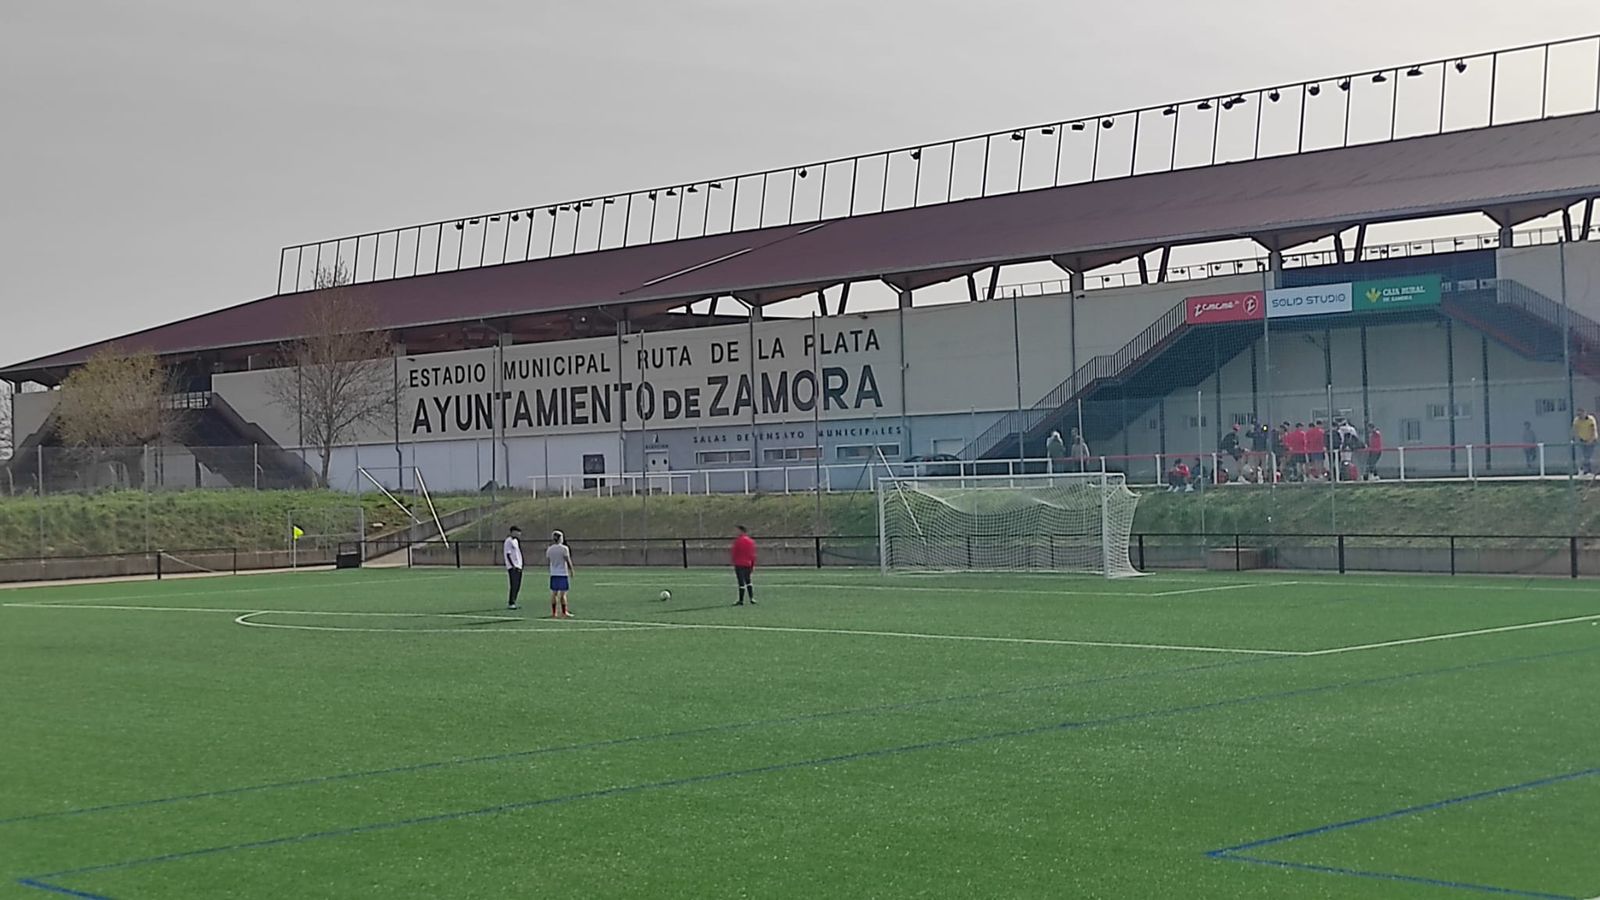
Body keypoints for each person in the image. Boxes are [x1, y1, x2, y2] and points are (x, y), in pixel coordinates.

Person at [547, 530, 574, 619]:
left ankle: (554, 613)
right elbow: (567, 559)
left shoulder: (550, 549)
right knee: (563, 594)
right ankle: (564, 612)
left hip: (553, 573)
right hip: (562, 573)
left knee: (554, 593)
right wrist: (571, 570)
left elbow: (549, 560)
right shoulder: (564, 548)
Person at [731, 525, 757, 606]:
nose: (736, 532)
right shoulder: (751, 541)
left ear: (741, 531)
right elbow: (753, 554)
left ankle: (741, 600)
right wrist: (752, 564)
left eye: (737, 530)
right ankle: (751, 598)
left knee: (741, 582)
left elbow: (734, 553)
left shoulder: (738, 541)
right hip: (748, 564)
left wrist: (734, 561)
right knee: (748, 580)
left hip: (739, 564)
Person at [503, 526, 524, 610]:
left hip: (519, 565)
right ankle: (511, 602)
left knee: (518, 585)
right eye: (517, 532)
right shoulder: (508, 541)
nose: (518, 534)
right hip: (513, 567)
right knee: (514, 584)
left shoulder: (516, 541)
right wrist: (512, 565)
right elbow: (508, 554)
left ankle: (514, 601)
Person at [1575, 409, 1598, 475]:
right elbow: (1574, 429)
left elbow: (1593, 430)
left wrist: (1590, 440)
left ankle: (1587, 470)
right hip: (1582, 440)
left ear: (1585, 413)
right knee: (1584, 456)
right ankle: (1585, 470)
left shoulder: (1590, 419)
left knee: (1588, 456)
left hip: (1592, 440)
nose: (1579, 416)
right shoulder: (1577, 420)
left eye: (1581, 414)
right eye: (1578, 414)